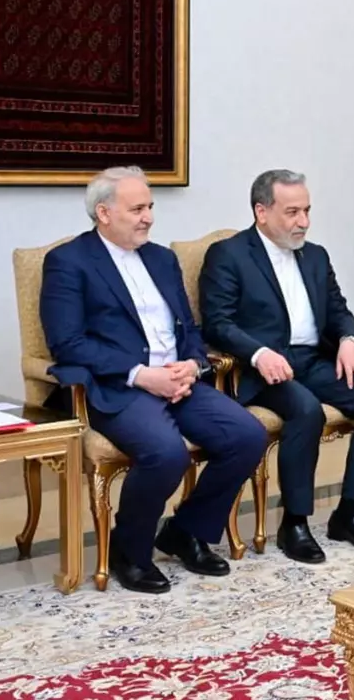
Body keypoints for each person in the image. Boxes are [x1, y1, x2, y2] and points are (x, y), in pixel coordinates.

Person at [39, 166, 269, 594]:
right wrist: (142, 375)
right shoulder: (68, 262)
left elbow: (189, 331)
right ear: (104, 213)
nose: (148, 217)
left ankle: (185, 532)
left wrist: (192, 365)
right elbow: (67, 343)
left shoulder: (162, 259)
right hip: (119, 387)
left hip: (180, 382)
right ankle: (129, 551)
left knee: (247, 435)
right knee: (166, 454)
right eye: (138, 208)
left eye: (150, 207)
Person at [199, 169, 354, 564]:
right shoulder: (229, 255)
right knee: (305, 410)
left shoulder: (316, 255)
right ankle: (295, 522)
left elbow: (339, 310)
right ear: (262, 211)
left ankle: (348, 514)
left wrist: (347, 342)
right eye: (292, 212)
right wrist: (258, 353)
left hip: (313, 360)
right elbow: (217, 323)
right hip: (260, 368)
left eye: (306, 210)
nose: (303, 221)